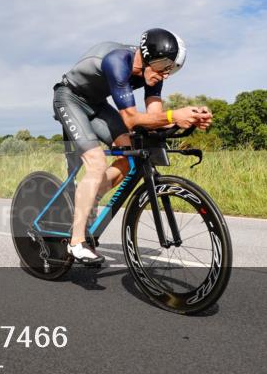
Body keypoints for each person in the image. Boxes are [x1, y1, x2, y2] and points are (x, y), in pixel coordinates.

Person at [53, 28, 213, 265]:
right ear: (148, 56)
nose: (166, 74)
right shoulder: (117, 62)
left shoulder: (153, 74)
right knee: (96, 164)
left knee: (130, 157)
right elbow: (130, 119)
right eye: (164, 66)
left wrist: (190, 118)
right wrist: (174, 115)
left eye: (172, 69)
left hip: (97, 104)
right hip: (70, 98)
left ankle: (88, 199)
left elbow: (154, 118)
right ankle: (76, 242)